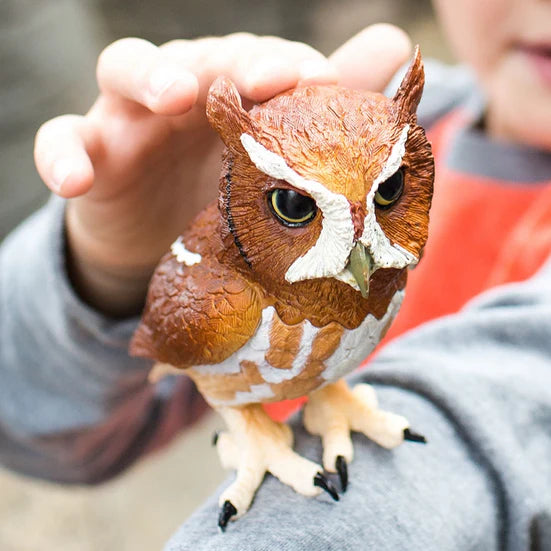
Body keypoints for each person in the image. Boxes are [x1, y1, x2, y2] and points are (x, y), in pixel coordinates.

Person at [1, 0, 550, 547]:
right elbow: (45, 435)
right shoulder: (229, 295)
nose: (359, 249)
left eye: (389, 193)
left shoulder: (394, 162)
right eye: (295, 204)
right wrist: (104, 273)